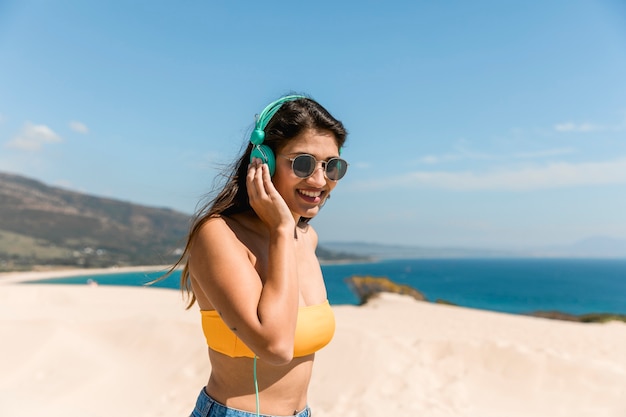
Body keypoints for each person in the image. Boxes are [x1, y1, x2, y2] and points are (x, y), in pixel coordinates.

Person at [175, 94, 349, 417]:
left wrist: (288, 231)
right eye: (303, 163)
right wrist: (281, 230)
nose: (320, 180)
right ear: (263, 162)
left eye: (332, 166)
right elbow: (276, 345)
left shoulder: (307, 239)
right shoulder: (218, 236)